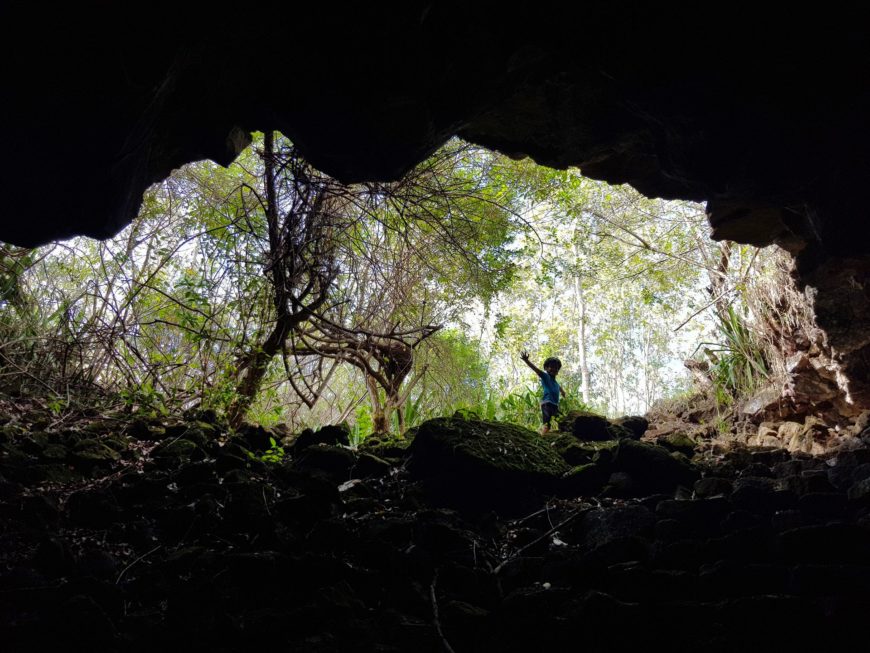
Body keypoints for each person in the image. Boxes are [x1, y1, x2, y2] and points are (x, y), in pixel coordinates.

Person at [520, 351, 566, 434]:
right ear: (546, 368)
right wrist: (526, 360)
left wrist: (563, 392)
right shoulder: (545, 376)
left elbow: (559, 388)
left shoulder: (556, 383)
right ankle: (541, 436)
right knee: (547, 424)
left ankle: (556, 434)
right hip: (547, 404)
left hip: (555, 405)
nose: (554, 369)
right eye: (551, 367)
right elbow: (536, 369)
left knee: (562, 421)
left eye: (556, 368)